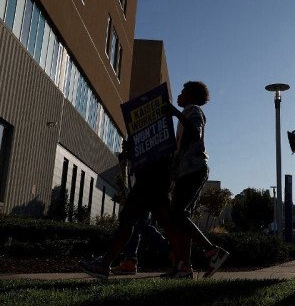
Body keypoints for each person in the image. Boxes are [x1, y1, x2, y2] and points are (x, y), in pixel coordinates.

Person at [78, 142, 174, 279]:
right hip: (140, 184)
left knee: (137, 223)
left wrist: (133, 150)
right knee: (134, 223)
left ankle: (170, 251)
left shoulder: (150, 139)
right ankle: (129, 261)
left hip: (148, 183)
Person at [162, 81, 229, 279]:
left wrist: (175, 113)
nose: (179, 94)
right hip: (185, 172)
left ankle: (212, 251)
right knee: (182, 219)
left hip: (193, 170)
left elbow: (195, 133)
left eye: (183, 91)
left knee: (177, 215)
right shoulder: (188, 113)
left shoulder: (194, 110)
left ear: (191, 95)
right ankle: (185, 267)